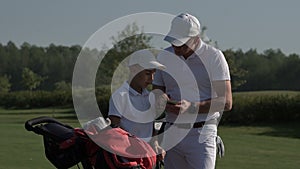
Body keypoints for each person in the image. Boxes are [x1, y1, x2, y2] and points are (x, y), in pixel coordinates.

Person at [152, 13, 232, 169]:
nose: (176, 47)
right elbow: (156, 91)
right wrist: (161, 99)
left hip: (201, 133)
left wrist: (192, 107)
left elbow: (226, 102)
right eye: (174, 42)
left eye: (182, 43)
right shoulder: (164, 56)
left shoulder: (214, 57)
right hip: (171, 131)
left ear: (196, 38)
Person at [108, 49, 166, 161]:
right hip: (128, 157)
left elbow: (151, 125)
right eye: (148, 73)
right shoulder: (120, 96)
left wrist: (156, 145)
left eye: (154, 73)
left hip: (148, 155)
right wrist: (138, 147)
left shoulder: (150, 97)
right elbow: (115, 129)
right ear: (134, 69)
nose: (152, 79)